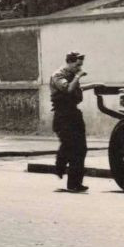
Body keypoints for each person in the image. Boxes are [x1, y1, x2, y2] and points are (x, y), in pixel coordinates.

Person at [49, 52, 89, 193]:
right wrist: (78, 77)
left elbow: (76, 90)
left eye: (81, 65)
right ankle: (60, 165)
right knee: (71, 147)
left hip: (74, 113)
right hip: (63, 115)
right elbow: (68, 89)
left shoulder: (72, 76)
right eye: (77, 65)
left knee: (81, 148)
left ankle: (76, 183)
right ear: (69, 62)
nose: (79, 68)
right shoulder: (58, 75)